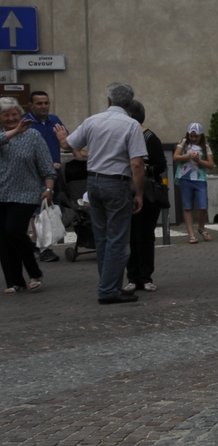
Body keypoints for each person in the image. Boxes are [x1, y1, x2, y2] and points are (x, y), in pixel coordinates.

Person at [65, 82, 146, 305]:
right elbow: (137, 163)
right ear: (129, 103)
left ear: (108, 101)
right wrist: (138, 193)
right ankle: (109, 289)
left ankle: (110, 284)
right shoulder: (130, 125)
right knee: (118, 239)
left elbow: (70, 144)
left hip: (93, 181)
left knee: (102, 238)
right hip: (116, 183)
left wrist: (83, 155)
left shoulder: (93, 120)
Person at [0, 96, 55, 294]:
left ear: (20, 114)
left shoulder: (33, 136)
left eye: (14, 114)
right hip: (1, 194)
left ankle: (34, 272)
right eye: (6, 115)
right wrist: (15, 132)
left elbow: (46, 166)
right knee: (4, 239)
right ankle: (15, 282)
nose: (11, 118)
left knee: (14, 231)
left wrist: (48, 188)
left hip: (26, 193)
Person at [124, 101, 166, 294]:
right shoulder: (124, 137)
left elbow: (161, 165)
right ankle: (132, 277)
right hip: (127, 192)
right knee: (130, 237)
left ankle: (145, 277)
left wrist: (145, 167)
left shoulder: (150, 138)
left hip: (147, 194)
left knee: (145, 237)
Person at [22, 90, 65, 262]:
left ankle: (39, 245)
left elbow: (65, 141)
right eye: (39, 103)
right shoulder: (25, 124)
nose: (43, 106)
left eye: (46, 103)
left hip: (53, 173)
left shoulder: (54, 120)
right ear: (30, 106)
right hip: (32, 174)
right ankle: (43, 248)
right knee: (38, 212)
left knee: (45, 210)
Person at [173, 122, 216, 243]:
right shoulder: (183, 143)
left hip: (200, 179)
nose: (193, 138)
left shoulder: (205, 146)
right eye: (191, 136)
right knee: (187, 207)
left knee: (203, 206)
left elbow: (211, 165)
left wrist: (199, 161)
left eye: (196, 136)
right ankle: (191, 234)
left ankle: (201, 228)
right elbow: (175, 157)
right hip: (185, 179)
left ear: (201, 135)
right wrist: (188, 156)